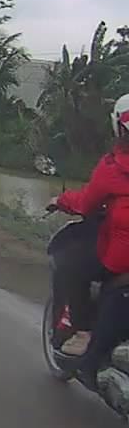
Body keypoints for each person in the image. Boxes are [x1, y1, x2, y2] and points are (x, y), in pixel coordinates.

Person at [51, 93, 129, 369]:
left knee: (70, 265)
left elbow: (85, 203)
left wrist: (60, 200)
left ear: (118, 127)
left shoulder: (113, 167)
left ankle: (83, 331)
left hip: (121, 257)